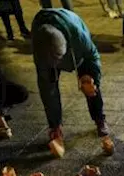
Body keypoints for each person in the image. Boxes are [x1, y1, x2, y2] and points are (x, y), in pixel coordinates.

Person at [31, 7, 110, 141]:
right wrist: (54, 124)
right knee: (48, 85)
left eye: (59, 59)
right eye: (53, 62)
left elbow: (93, 56)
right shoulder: (40, 49)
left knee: (89, 85)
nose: (57, 64)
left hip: (76, 42)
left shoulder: (78, 36)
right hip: (48, 49)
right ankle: (56, 127)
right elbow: (46, 88)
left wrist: (93, 79)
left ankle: (99, 119)